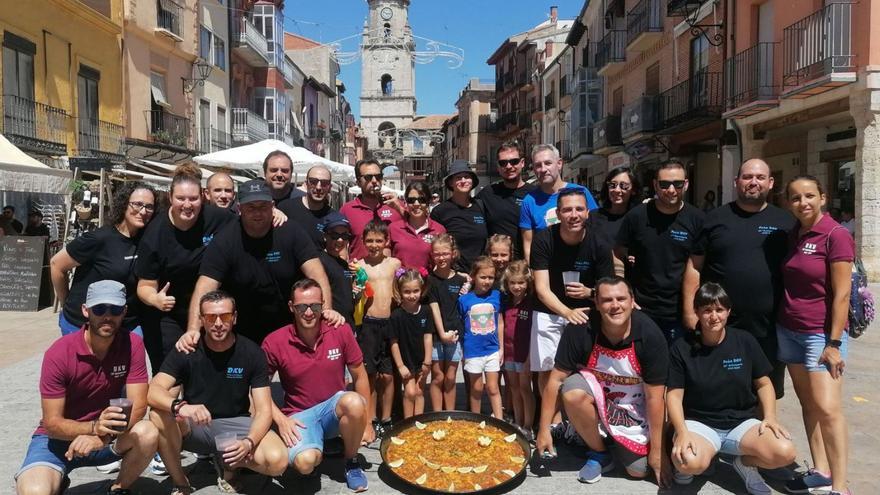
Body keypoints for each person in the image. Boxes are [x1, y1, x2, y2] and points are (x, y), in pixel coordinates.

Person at [15, 280, 158, 495]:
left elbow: (138, 405)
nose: (107, 316)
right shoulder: (59, 352)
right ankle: (56, 478)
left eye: (115, 309)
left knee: (148, 432)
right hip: (57, 440)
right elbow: (52, 423)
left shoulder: (132, 344)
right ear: (85, 310)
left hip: (107, 436)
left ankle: (116, 489)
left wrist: (101, 436)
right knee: (33, 491)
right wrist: (92, 428)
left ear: (124, 312)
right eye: (99, 309)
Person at [148, 290, 287, 494]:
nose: (219, 323)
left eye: (226, 316)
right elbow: (153, 390)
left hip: (237, 424)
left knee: (278, 461)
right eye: (211, 317)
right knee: (157, 415)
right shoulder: (187, 349)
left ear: (235, 317)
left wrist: (249, 443)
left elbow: (265, 410)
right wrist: (180, 406)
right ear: (202, 319)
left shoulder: (251, 352)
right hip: (195, 426)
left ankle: (229, 465)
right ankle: (181, 483)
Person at [535, 277, 670, 487]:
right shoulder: (580, 327)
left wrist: (658, 453)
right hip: (596, 394)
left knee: (638, 471)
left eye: (621, 298)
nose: (615, 305)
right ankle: (599, 451)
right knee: (571, 391)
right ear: (596, 303)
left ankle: (605, 435)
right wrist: (544, 429)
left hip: (634, 406)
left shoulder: (650, 334)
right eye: (607, 300)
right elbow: (556, 380)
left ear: (632, 301)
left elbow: (655, 397)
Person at [179, 179, 342, 348]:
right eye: (251, 207)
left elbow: (317, 275)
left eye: (263, 206)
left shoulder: (291, 231)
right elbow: (205, 286)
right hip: (242, 329)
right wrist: (193, 329)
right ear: (240, 209)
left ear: (272, 206)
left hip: (287, 325)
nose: (258, 213)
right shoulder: (225, 240)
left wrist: (326, 310)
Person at [667, 283, 797, 495]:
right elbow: (673, 395)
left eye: (719, 310)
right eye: (707, 310)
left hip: (741, 423)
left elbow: (764, 383)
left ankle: (744, 463)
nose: (714, 316)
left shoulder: (744, 341)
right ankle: (703, 460)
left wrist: (770, 417)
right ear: (697, 312)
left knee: (785, 452)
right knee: (688, 462)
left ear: (728, 311)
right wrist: (681, 432)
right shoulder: (682, 348)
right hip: (700, 424)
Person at [682, 159, 795, 397]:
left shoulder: (786, 223)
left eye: (760, 177)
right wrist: (690, 312)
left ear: (771, 183)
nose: (753, 182)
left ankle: (763, 431)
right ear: (736, 182)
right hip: (720, 323)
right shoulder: (713, 219)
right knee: (719, 386)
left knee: (765, 390)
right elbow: (694, 266)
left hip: (769, 327)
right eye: (747, 177)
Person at [777, 176, 854, 495]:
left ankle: (840, 486)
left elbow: (842, 294)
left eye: (809, 196)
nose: (803, 203)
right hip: (789, 329)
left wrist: (834, 343)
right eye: (795, 198)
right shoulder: (796, 233)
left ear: (823, 197)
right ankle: (820, 470)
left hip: (819, 335)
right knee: (808, 403)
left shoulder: (835, 235)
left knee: (827, 408)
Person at [261, 279, 370, 492]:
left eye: (315, 306)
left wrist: (367, 423)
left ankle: (351, 461)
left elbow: (360, 375)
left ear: (323, 305)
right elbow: (258, 389)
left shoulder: (340, 330)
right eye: (302, 306)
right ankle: (318, 447)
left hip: (334, 410)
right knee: (305, 463)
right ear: (292, 307)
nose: (309, 312)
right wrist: (280, 420)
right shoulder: (274, 342)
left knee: (354, 402)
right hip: (299, 416)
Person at [136, 165, 237, 372]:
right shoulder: (155, 234)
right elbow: (144, 285)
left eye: (193, 198)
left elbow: (250, 222)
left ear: (202, 196)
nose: (188, 205)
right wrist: (156, 299)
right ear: (170, 197)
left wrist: (274, 211)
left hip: (209, 310)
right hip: (168, 314)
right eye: (181, 198)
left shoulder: (218, 218)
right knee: (170, 371)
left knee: (208, 369)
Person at [529, 188, 613, 421]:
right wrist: (567, 312)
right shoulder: (544, 239)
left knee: (586, 370)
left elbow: (609, 286)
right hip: (550, 311)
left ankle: (579, 421)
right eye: (567, 210)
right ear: (558, 213)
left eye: (578, 209)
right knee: (547, 371)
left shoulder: (599, 242)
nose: (573, 215)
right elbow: (542, 289)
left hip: (587, 311)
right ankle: (553, 422)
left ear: (587, 212)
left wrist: (591, 292)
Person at [51, 181, 157, 336]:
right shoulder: (99, 239)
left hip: (126, 325)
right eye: (137, 204)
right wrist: (66, 303)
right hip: (83, 326)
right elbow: (56, 264)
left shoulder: (148, 240)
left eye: (149, 206)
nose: (143, 211)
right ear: (124, 204)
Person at [615, 160, 705, 343]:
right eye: (664, 184)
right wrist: (623, 295)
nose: (671, 190)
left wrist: (690, 312)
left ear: (686, 184)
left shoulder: (697, 220)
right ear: (655, 185)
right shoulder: (636, 216)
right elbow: (617, 253)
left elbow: (696, 267)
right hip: (640, 310)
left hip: (677, 312)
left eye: (677, 184)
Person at [354, 220, 401, 438]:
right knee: (370, 375)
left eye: (378, 240)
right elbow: (355, 293)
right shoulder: (359, 266)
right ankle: (370, 417)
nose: (374, 244)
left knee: (388, 375)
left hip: (390, 322)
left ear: (386, 241)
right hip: (369, 324)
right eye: (369, 240)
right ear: (363, 241)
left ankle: (387, 418)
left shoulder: (394, 264)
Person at [520, 144, 598, 262]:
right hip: (546, 269)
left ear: (559, 164)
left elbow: (597, 230)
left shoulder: (581, 193)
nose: (543, 169)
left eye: (548, 163)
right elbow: (528, 245)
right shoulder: (529, 201)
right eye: (538, 165)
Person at [458, 256, 504, 418]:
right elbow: (462, 325)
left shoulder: (498, 296)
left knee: (493, 388)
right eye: (483, 277)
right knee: (476, 389)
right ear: (473, 277)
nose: (487, 281)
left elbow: (500, 322)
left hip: (492, 349)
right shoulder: (464, 299)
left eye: (490, 277)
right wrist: (462, 350)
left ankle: (500, 420)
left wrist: (501, 348)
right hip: (473, 351)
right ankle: (475, 421)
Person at [426, 234, 466, 411]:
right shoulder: (430, 280)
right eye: (437, 254)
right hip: (436, 335)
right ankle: (437, 414)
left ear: (453, 254)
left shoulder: (461, 280)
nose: (441, 258)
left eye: (445, 253)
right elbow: (434, 307)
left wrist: (469, 281)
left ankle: (450, 414)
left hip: (455, 334)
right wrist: (442, 334)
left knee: (450, 377)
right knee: (438, 376)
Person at [475, 141, 536, 258]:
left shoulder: (534, 194)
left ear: (522, 163)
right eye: (503, 163)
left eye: (514, 161)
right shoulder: (488, 193)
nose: (509, 166)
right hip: (496, 266)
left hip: (525, 266)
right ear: (498, 167)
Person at [389, 268, 433, 418]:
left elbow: (428, 337)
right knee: (410, 391)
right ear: (400, 291)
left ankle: (418, 423)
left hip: (422, 360)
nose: (412, 295)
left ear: (422, 290)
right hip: (406, 360)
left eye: (416, 291)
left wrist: (427, 361)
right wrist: (400, 366)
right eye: (407, 292)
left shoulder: (426, 311)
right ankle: (408, 423)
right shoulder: (396, 315)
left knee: (420, 391)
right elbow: (393, 342)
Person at [430, 159, 489, 272]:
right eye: (458, 177)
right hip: (453, 276)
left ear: (472, 181)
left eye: (467, 176)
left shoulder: (481, 207)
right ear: (451, 183)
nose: (463, 180)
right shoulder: (440, 211)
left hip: (479, 275)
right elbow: (435, 247)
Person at [340, 158, 404, 259]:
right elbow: (340, 245)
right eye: (368, 177)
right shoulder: (347, 210)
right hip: (359, 272)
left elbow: (417, 228)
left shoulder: (396, 206)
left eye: (378, 177)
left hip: (392, 272)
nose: (374, 181)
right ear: (358, 182)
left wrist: (399, 208)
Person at [500, 260, 534, 437]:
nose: (517, 286)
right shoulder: (506, 301)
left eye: (521, 282)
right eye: (513, 282)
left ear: (527, 282)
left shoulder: (531, 303)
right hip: (509, 352)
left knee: (524, 388)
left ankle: (528, 426)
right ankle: (518, 423)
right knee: (513, 387)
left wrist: (530, 356)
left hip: (525, 353)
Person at [586, 166, 641, 275]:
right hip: (597, 279)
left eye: (624, 186)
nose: (617, 190)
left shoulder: (638, 218)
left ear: (633, 190)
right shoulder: (594, 216)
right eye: (612, 185)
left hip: (627, 282)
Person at [389, 181, 446, 269]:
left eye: (422, 200)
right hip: (399, 281)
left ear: (428, 202)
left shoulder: (439, 230)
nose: (416, 204)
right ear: (406, 202)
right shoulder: (393, 228)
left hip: (429, 282)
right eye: (411, 200)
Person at [280, 164, 338, 248]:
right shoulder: (286, 208)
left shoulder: (334, 217)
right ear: (306, 184)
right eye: (313, 182)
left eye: (324, 183)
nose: (318, 187)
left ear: (329, 187)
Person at [318, 212, 357, 328]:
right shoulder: (319, 261)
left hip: (348, 324)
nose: (340, 240)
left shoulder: (344, 264)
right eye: (334, 235)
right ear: (325, 236)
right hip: (332, 324)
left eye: (345, 236)